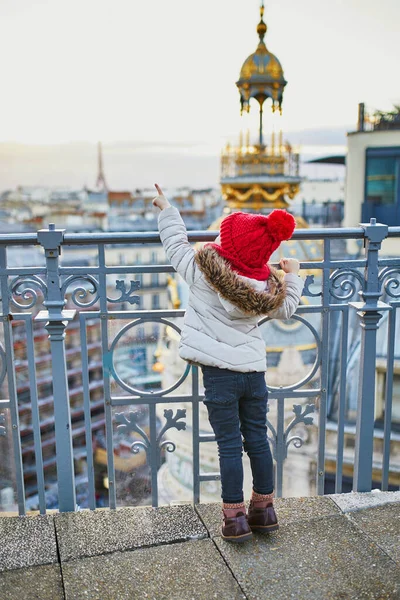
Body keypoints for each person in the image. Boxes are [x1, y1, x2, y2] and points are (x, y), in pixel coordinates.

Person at [153, 183, 303, 543]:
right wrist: (293, 274)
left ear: (225, 243)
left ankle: (234, 518)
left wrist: (166, 209)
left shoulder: (202, 272)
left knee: (229, 447)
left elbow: (176, 245)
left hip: (219, 375)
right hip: (254, 374)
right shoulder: (266, 285)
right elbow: (287, 309)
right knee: (258, 440)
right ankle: (265, 511)